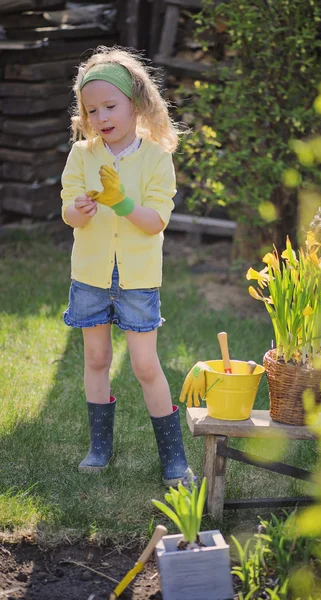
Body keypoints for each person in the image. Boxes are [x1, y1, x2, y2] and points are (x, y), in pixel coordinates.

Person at [60, 45, 188, 486]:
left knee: (145, 365)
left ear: (136, 103)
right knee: (96, 358)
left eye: (109, 106)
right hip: (91, 275)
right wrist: (80, 209)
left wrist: (122, 202)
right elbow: (68, 214)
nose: (101, 117)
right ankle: (99, 448)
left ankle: (174, 457)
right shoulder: (82, 156)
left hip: (136, 279)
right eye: (91, 110)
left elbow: (154, 222)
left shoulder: (156, 158)